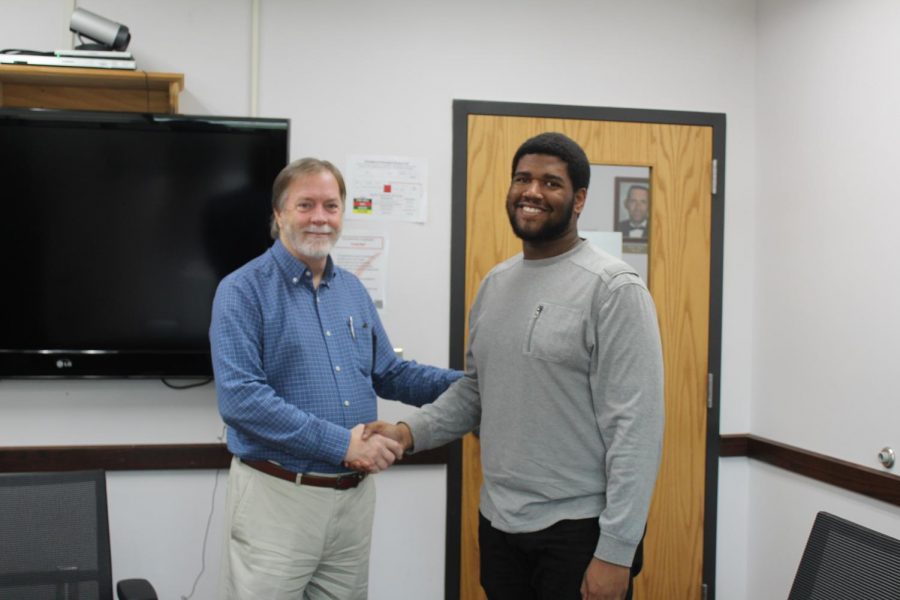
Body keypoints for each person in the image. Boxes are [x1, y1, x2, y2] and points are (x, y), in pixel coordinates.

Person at [362, 133, 664, 600]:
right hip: (500, 524)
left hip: (579, 533)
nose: (532, 192)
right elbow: (476, 392)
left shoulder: (614, 289)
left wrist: (617, 551)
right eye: (523, 178)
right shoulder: (495, 285)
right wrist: (407, 433)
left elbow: (637, 431)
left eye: (551, 182)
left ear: (579, 199)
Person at [209, 157, 462, 600]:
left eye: (331, 205)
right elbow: (241, 400)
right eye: (305, 205)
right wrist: (343, 444)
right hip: (278, 497)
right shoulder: (242, 290)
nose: (320, 218)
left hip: (352, 502)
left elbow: (390, 373)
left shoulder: (351, 289)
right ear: (278, 213)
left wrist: (471, 383)